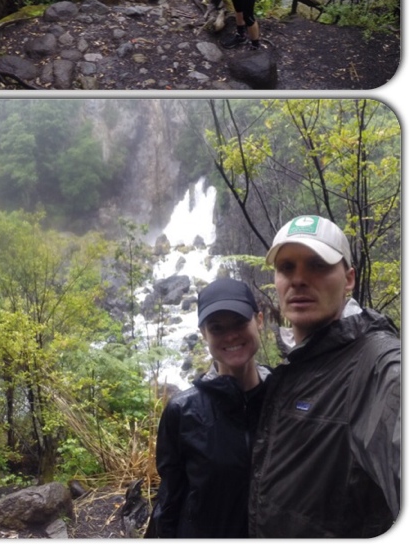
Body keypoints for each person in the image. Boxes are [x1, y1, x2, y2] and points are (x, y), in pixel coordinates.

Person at [248, 214, 400, 538]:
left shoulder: (377, 366)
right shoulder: (293, 368)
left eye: (317, 265)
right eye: (286, 267)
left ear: (348, 279)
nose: (298, 279)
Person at [146, 278, 269, 537]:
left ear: (259, 320)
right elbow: (170, 499)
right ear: (204, 334)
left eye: (239, 323)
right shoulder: (182, 411)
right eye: (217, 328)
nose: (231, 335)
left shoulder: (285, 397)